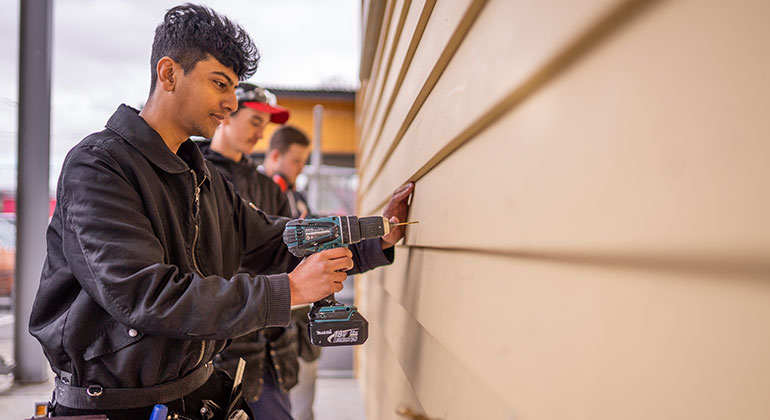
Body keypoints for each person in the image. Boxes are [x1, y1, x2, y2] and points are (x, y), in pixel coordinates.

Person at [27, 4, 413, 420]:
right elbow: (145, 296)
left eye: (234, 88)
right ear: (169, 73)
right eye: (220, 84)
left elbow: (276, 241)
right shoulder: (99, 166)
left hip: (198, 396)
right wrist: (291, 291)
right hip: (116, 407)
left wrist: (376, 236)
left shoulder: (202, 177)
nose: (231, 103)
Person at [196, 83, 302, 419]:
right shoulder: (193, 175)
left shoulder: (269, 189)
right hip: (208, 345)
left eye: (265, 125)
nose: (261, 133)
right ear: (226, 114)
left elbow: (283, 252)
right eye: (255, 121)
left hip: (268, 349)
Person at [261, 125, 313, 219]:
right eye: (296, 161)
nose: (301, 169)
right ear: (275, 157)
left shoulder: (295, 196)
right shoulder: (252, 192)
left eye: (303, 162)